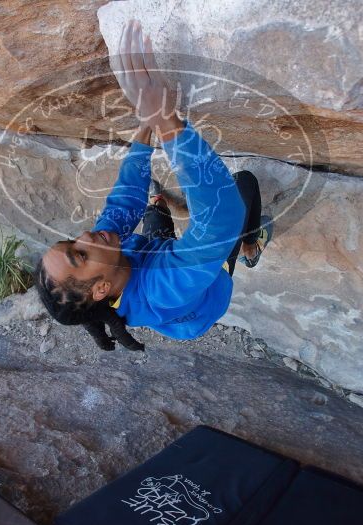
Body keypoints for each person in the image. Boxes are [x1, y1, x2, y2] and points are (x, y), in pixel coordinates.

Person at [35, 20, 272, 343]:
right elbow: (219, 218)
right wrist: (167, 122)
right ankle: (250, 246)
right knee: (244, 184)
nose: (85, 235)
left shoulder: (108, 256)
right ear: (101, 288)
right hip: (203, 292)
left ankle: (161, 209)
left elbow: (124, 203)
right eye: (80, 254)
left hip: (145, 261)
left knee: (151, 209)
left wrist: (145, 128)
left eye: (72, 242)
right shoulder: (165, 289)